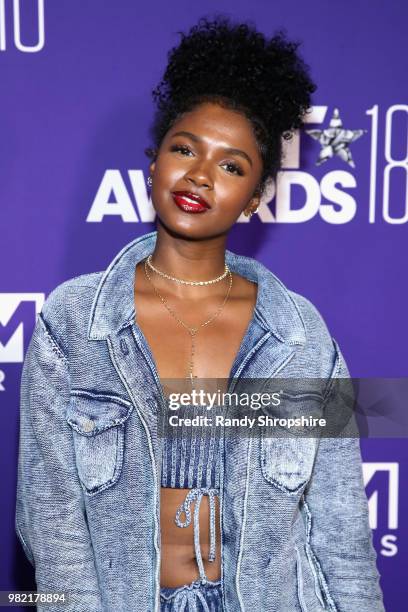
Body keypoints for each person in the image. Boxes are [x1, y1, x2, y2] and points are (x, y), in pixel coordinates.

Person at [16, 15, 385, 612]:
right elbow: (50, 521)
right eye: (184, 149)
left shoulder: (300, 335)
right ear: (153, 162)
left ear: (257, 197)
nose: (200, 175)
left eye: (232, 165)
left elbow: (341, 532)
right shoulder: (75, 322)